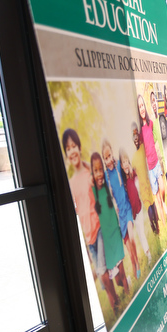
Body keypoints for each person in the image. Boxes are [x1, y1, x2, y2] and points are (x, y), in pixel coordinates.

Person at [61, 129, 116, 309]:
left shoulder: (89, 173)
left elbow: (102, 192)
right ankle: (115, 302)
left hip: (99, 228)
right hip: (88, 235)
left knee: (101, 272)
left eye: (74, 146)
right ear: (66, 153)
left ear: (79, 147)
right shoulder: (70, 183)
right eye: (68, 148)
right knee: (104, 274)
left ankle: (115, 300)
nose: (72, 151)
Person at [91, 151, 130, 312]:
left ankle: (129, 295)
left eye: (101, 169)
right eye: (96, 170)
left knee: (121, 273)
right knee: (116, 278)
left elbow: (115, 174)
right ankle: (122, 290)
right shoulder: (93, 191)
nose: (99, 173)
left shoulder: (107, 184)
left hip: (115, 233)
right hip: (105, 238)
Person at [103, 140, 140, 281]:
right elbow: (109, 197)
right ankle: (134, 262)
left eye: (109, 155)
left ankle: (137, 265)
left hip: (127, 208)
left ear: (112, 152)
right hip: (120, 216)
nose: (108, 159)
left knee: (132, 237)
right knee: (129, 249)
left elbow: (128, 169)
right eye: (105, 158)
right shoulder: (107, 176)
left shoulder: (119, 164)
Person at [137, 93, 167, 225]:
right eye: (139, 107)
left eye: (142, 105)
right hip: (149, 169)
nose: (142, 108)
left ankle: (164, 206)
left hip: (156, 163)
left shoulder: (150, 124)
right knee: (157, 199)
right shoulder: (140, 130)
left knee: (162, 189)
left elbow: (155, 138)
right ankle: (165, 222)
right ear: (138, 110)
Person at [131, 122, 160, 235]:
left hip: (149, 183)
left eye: (137, 138)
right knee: (149, 209)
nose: (136, 141)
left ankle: (156, 226)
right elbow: (133, 175)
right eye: (134, 140)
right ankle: (153, 227)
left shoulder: (143, 148)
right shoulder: (134, 158)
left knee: (153, 206)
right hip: (143, 187)